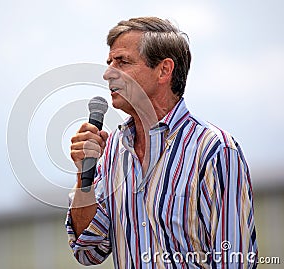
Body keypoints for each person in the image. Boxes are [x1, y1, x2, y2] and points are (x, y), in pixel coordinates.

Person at [66, 16, 258, 268]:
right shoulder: (111, 149)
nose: (107, 73)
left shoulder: (215, 149)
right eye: (109, 62)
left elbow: (236, 260)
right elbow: (89, 250)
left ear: (164, 70)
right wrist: (83, 175)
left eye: (122, 62)